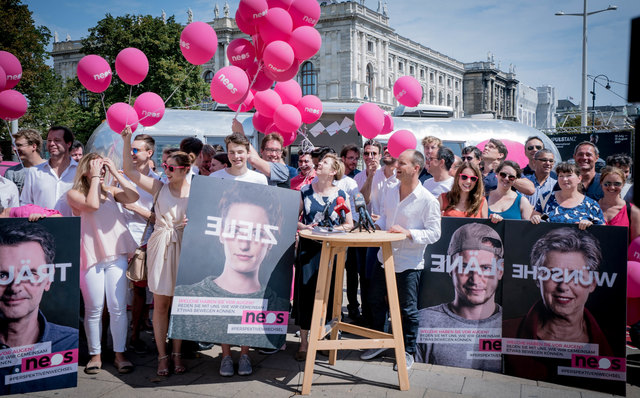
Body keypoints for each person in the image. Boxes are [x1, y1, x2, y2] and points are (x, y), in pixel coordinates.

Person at [172, 189, 288, 377]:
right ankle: (226, 356)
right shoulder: (188, 296)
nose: (244, 244)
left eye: (257, 233)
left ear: (270, 240)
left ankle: (245, 355)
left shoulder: (278, 306)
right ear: (221, 233)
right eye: (235, 230)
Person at [121, 127, 192, 377]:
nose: (166, 171)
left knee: (181, 305)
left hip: (186, 247)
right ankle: (162, 356)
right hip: (161, 245)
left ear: (185, 169)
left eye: (171, 168)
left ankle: (177, 353)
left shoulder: (197, 191)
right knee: (160, 304)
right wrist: (127, 139)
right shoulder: (159, 187)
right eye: (165, 166)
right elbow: (129, 171)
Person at [361, 149, 441, 371]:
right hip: (383, 257)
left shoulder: (428, 200)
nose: (397, 166)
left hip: (409, 263)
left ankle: (407, 351)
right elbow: (387, 216)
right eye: (397, 163)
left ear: (416, 168)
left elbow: (435, 233)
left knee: (407, 309)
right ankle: (379, 341)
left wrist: (408, 233)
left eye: (402, 164)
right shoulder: (390, 190)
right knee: (375, 300)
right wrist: (378, 225)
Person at [503, 227, 613, 383]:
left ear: (592, 283)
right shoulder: (506, 332)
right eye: (553, 274)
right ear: (537, 278)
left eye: (575, 276)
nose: (563, 286)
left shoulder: (612, 346)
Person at [66, 153, 139, 375]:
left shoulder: (111, 191)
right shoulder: (73, 193)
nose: (100, 169)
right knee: (94, 308)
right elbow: (92, 205)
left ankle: (119, 353)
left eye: (101, 166)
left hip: (115, 254)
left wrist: (116, 173)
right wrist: (96, 177)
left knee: (117, 308)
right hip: (90, 257)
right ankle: (95, 354)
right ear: (85, 170)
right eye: (94, 166)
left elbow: (133, 196)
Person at [0, 222, 78, 394]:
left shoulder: (71, 344)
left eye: (28, 273)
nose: (15, 287)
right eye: (3, 275)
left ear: (49, 279)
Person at [415, 223, 503, 371]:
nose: (475, 279)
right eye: (465, 266)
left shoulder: (514, 327)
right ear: (450, 267)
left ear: (500, 270)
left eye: (485, 267)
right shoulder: (424, 321)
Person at [294, 153, 353, 362]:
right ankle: (303, 342)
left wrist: (337, 230)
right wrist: (304, 227)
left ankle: (324, 339)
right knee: (306, 293)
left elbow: (349, 223)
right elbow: (294, 219)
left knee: (329, 293)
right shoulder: (305, 191)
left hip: (332, 249)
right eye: (320, 162)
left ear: (334, 171)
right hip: (308, 249)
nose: (319, 164)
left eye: (325, 163)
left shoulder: (341, 194)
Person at [121, 134, 161, 354]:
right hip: (117, 241)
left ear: (149, 153)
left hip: (143, 244)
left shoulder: (159, 183)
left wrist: (136, 209)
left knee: (140, 292)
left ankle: (135, 335)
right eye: (131, 150)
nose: (133, 154)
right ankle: (114, 341)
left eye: (137, 150)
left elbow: (161, 219)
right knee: (115, 298)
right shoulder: (120, 176)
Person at [20, 126, 77, 216]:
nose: (51, 144)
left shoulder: (80, 171)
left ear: (68, 144)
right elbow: (25, 203)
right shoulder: (34, 172)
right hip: (41, 227)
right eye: (49, 140)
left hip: (74, 227)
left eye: (57, 140)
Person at [531, 162, 604, 230]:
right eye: (561, 176)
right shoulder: (545, 198)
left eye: (569, 175)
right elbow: (533, 225)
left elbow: (603, 231)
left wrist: (591, 226)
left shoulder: (591, 205)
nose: (564, 179)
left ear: (579, 178)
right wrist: (535, 218)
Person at [232, 119, 290, 187]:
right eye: (270, 150)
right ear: (262, 151)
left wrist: (240, 134)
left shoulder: (282, 170)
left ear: (281, 153)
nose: (274, 154)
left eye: (277, 151)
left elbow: (253, 160)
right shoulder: (256, 171)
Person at [598, 166, 640, 241]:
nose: (612, 187)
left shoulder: (633, 211)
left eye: (617, 184)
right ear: (601, 183)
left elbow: (634, 244)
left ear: (623, 184)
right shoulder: (591, 207)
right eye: (607, 183)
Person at [5, 129, 45, 193]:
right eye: (14, 145)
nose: (14, 149)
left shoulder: (52, 169)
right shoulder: (11, 173)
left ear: (34, 146)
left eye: (19, 145)